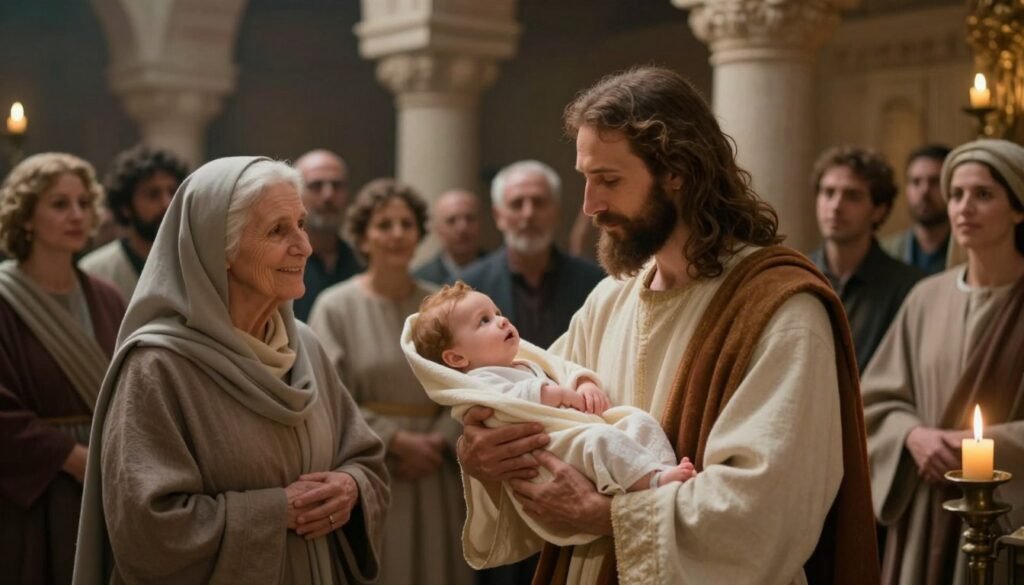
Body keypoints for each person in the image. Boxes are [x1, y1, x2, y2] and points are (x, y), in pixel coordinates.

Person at [456, 66, 879, 585]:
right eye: (585, 179)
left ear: (678, 170)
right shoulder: (610, 299)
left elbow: (767, 511)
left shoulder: (780, 311)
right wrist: (485, 452)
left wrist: (606, 516)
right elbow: (530, 410)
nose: (589, 206)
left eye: (609, 180)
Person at [72, 157, 389, 584]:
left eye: (301, 223)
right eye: (278, 230)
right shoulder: (157, 367)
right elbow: (147, 529)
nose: (304, 246)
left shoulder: (306, 346)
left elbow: (365, 458)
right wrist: (277, 512)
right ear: (215, 247)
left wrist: (351, 488)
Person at [862, 139, 1024, 585]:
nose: (964, 207)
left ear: (1018, 208)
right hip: (923, 509)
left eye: (984, 195)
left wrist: (975, 449)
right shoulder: (925, 298)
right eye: (957, 195)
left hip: (1006, 520)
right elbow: (874, 401)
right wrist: (913, 437)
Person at [308, 179, 472, 585]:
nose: (396, 234)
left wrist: (439, 437)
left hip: (438, 469)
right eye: (384, 225)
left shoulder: (442, 305)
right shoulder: (335, 307)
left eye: (406, 224)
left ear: (419, 234)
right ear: (363, 238)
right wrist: (394, 441)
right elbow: (326, 393)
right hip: (371, 467)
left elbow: (472, 379)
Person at [406, 281, 695, 492]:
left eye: (496, 312)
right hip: (552, 447)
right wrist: (562, 394)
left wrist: (582, 382)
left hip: (575, 427)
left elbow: (562, 365)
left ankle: (662, 467)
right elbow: (515, 400)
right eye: (484, 321)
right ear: (456, 358)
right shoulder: (480, 383)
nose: (502, 320)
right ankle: (653, 482)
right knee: (601, 441)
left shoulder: (522, 361)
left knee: (635, 419)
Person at [0, 153, 126, 585]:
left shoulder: (107, 297)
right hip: (37, 491)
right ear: (27, 216)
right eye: (58, 204)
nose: (76, 215)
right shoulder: (3, 298)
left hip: (108, 478)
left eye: (83, 203)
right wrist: (74, 460)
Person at [462, 160, 604, 350]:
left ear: (557, 212)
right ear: (498, 216)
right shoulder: (470, 286)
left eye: (539, 202)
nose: (528, 214)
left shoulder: (594, 283)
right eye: (516, 204)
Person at [808, 146, 924, 372]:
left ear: (878, 210)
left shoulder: (909, 287)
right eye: (828, 192)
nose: (836, 206)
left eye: (852, 196)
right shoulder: (797, 276)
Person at [79, 144, 189, 301]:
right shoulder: (96, 271)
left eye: (173, 192)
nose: (167, 203)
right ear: (125, 207)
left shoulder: (194, 266)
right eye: (153, 194)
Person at [292, 149, 361, 321]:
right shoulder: (278, 264)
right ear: (294, 193)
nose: (328, 195)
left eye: (337, 186)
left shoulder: (362, 264)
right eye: (316, 186)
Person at [881, 145, 952, 275]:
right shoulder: (886, 253)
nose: (924, 191)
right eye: (916, 182)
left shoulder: (968, 252)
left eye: (935, 182)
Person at [413, 189, 486, 284]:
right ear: (437, 229)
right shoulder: (421, 280)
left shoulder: (499, 270)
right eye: (451, 220)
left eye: (469, 218)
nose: (462, 228)